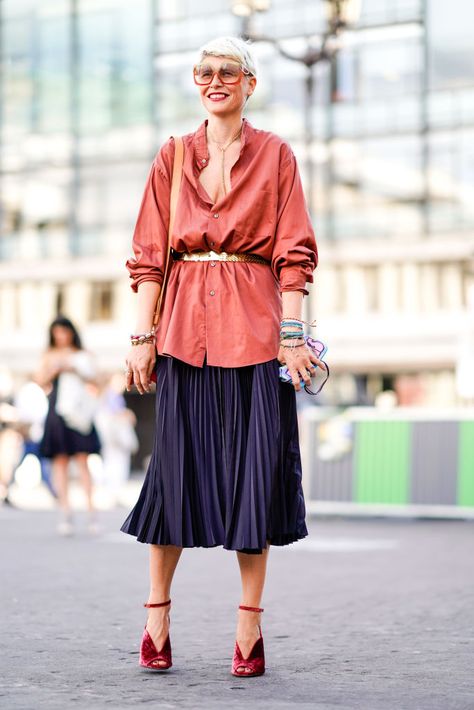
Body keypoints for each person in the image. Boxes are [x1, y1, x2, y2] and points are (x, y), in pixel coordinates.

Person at [121, 36, 322, 677]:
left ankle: (249, 629)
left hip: (258, 338)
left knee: (254, 481)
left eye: (227, 72)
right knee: (172, 478)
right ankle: (157, 617)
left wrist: (293, 337)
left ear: (249, 83)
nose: (214, 81)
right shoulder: (174, 157)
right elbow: (149, 256)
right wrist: (140, 337)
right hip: (183, 335)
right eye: (204, 72)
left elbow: (294, 254)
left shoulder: (276, 156)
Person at [36, 316, 101, 536]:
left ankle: (92, 512)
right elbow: (40, 381)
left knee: (83, 460)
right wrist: (54, 370)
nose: (61, 336)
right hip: (56, 411)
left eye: (64, 331)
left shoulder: (83, 355)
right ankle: (65, 512)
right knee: (60, 461)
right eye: (57, 332)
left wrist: (75, 369)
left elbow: (97, 381)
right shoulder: (49, 355)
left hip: (79, 411)